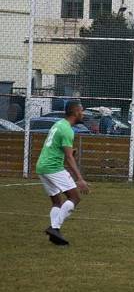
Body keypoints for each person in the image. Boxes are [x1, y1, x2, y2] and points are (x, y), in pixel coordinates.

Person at [36, 101, 90, 245]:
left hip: (42, 166)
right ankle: (55, 228)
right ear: (75, 112)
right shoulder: (67, 130)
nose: (83, 113)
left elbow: (58, 148)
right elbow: (69, 157)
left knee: (57, 202)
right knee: (75, 197)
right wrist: (80, 179)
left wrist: (70, 153)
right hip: (53, 167)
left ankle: (55, 234)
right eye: (82, 110)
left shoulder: (58, 124)